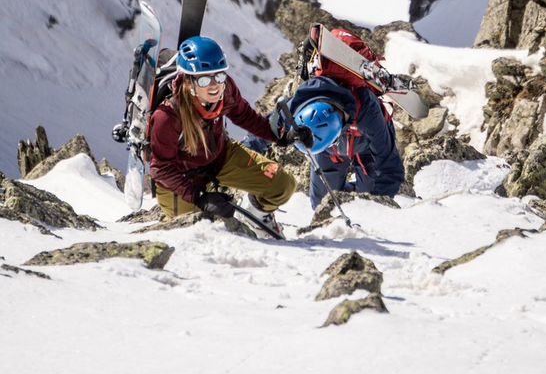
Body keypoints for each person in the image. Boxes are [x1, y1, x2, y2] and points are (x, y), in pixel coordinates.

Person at [150, 35, 313, 235]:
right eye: (204, 78)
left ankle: (256, 215)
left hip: (220, 157)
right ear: (188, 81)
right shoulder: (167, 116)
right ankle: (171, 213)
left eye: (218, 75)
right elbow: (161, 169)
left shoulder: (225, 89)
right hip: (180, 180)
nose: (214, 85)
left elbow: (245, 116)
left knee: (283, 185)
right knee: (194, 232)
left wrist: (283, 136)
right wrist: (199, 196)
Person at [286, 74, 405, 209]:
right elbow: (264, 128)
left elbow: (391, 169)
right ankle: (349, 195)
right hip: (330, 152)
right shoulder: (295, 106)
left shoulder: (368, 112)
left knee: (367, 200)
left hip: (368, 147)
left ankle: (354, 196)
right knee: (322, 204)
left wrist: (376, 208)